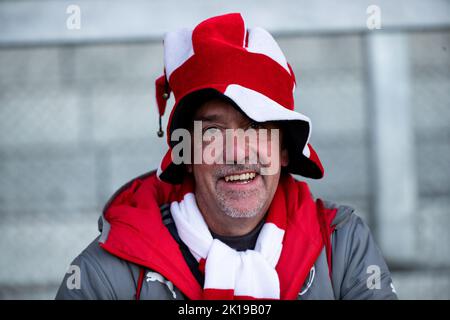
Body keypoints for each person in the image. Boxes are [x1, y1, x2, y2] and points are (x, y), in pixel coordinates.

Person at [56, 13, 397, 300]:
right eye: (213, 132)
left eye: (257, 127)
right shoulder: (108, 272)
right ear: (185, 154)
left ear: (283, 150)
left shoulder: (342, 247)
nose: (237, 151)